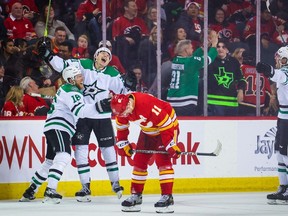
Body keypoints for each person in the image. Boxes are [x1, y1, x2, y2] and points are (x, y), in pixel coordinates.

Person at [36, 42, 136, 201]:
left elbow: (125, 93)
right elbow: (63, 66)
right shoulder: (83, 63)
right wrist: (49, 56)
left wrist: (131, 87)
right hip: (82, 115)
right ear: (95, 56)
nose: (106, 56)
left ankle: (115, 183)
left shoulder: (113, 73)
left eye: (108, 55)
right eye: (102, 54)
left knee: (108, 150)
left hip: (102, 116)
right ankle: (85, 187)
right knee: (81, 150)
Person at [19, 66, 112, 203]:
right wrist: (100, 106)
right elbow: (80, 110)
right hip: (60, 127)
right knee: (64, 155)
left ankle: (30, 191)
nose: (82, 78)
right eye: (79, 76)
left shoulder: (68, 89)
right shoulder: (71, 90)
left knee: (49, 161)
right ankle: (50, 190)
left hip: (54, 126)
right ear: (71, 79)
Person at [111, 92, 181, 213]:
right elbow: (121, 127)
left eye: (126, 111)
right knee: (139, 161)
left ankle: (167, 196)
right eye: (122, 113)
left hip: (167, 126)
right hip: (148, 130)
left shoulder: (146, 104)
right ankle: (136, 196)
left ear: (129, 103)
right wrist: (122, 142)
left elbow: (166, 124)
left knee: (162, 160)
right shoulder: (122, 109)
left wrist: (170, 145)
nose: (126, 115)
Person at [256, 46, 288, 204]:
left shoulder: (286, 72)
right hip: (282, 116)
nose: (277, 60)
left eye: (279, 58)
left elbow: (279, 76)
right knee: (280, 154)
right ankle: (283, 187)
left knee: (286, 154)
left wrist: (267, 69)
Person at [166, 30, 218, 116]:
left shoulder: (176, 60)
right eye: (191, 48)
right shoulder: (190, 62)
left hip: (172, 101)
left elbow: (193, 58)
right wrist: (214, 45)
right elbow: (208, 59)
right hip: (185, 102)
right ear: (186, 50)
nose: (192, 49)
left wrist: (204, 47)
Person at [207, 39, 246, 116]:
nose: (220, 49)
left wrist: (241, 90)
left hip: (232, 102)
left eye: (223, 47)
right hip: (214, 101)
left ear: (227, 49)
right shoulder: (210, 61)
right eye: (218, 47)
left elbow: (241, 78)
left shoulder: (234, 62)